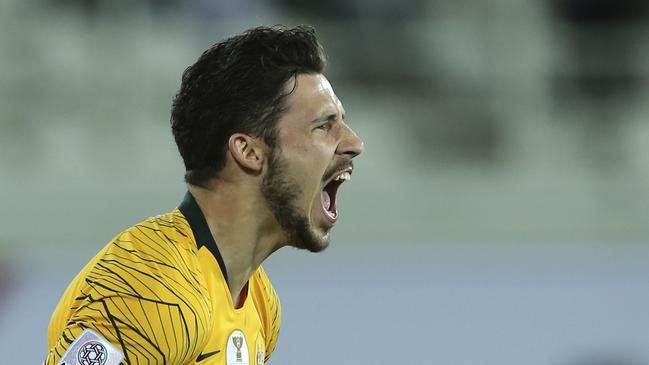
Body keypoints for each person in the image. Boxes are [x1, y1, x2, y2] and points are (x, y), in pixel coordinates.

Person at [44, 25, 363, 365]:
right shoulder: (154, 290)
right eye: (324, 125)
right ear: (249, 151)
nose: (354, 143)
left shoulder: (259, 301)